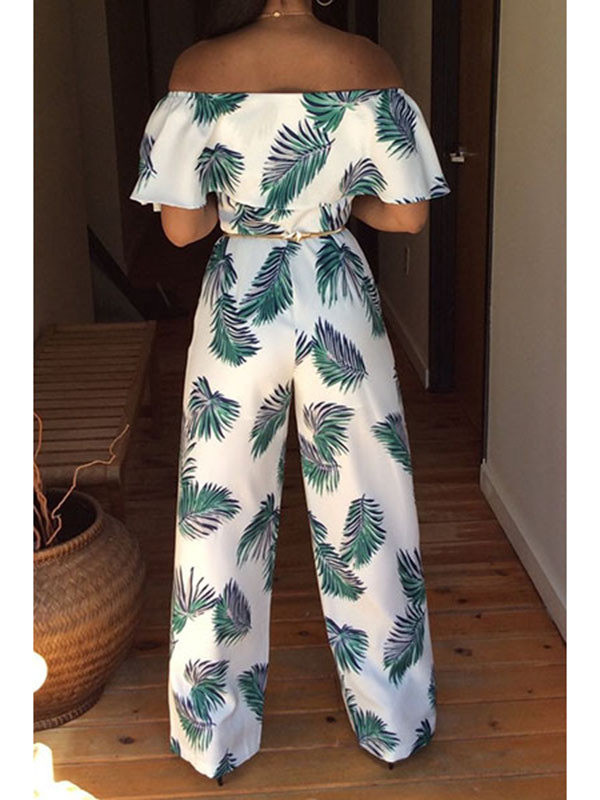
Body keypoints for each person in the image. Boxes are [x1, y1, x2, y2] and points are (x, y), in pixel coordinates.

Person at [130, 0, 451, 785]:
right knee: (367, 506)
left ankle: (212, 733)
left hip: (241, 297)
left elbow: (181, 230)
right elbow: (407, 216)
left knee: (220, 514)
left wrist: (251, 204)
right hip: (335, 289)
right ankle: (395, 720)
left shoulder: (197, 72)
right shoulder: (369, 65)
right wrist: (330, 207)